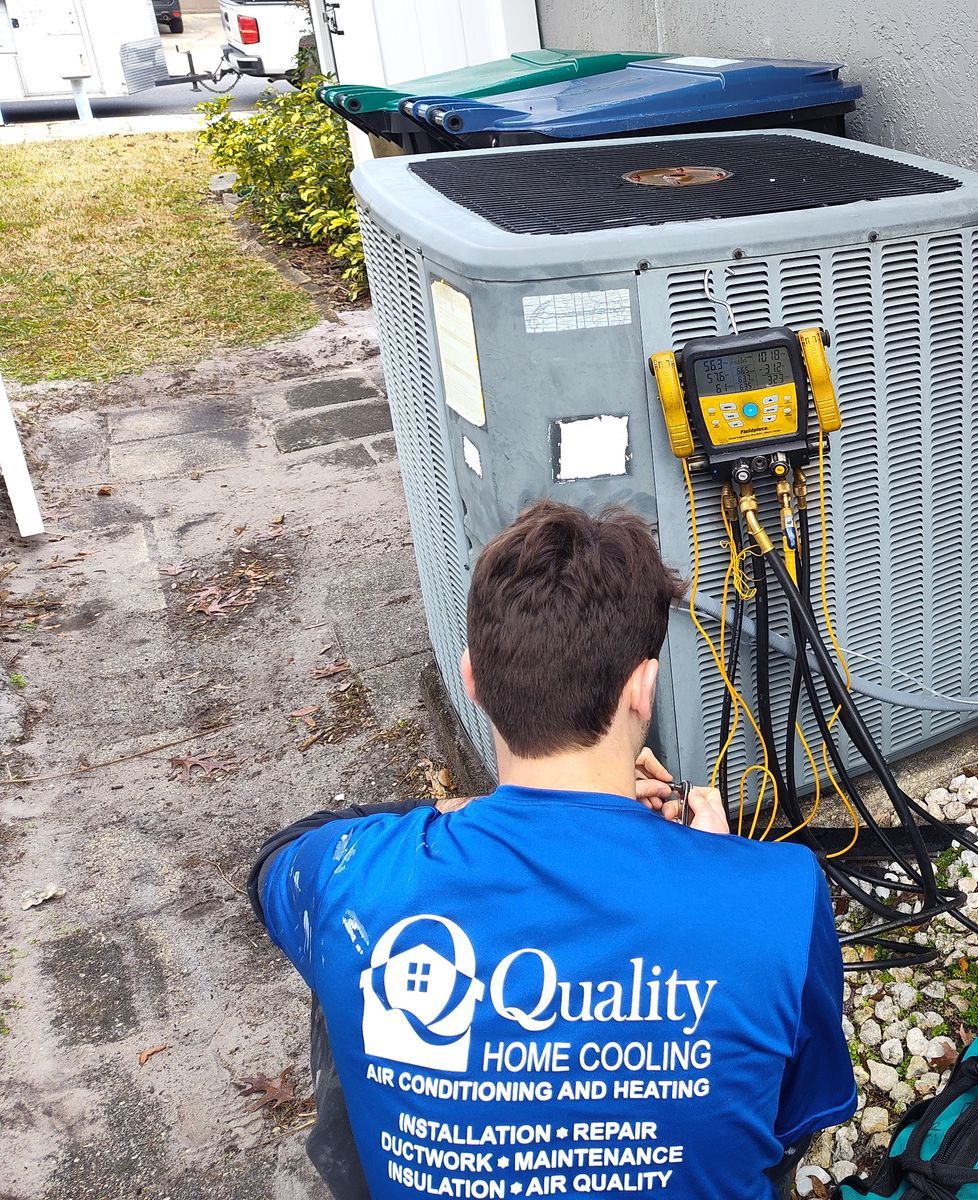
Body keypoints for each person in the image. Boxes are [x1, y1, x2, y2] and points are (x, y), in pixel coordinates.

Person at [251, 500, 855, 1199]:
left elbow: (276, 859)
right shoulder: (779, 893)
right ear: (644, 689)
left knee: (342, 968)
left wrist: (459, 813)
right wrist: (717, 877)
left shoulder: (355, 875)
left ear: (473, 681)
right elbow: (790, 1126)